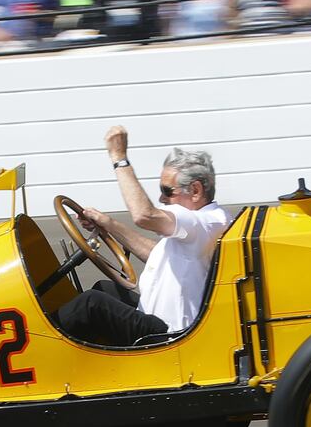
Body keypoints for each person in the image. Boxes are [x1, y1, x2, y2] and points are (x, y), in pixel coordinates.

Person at [53, 129, 229, 348]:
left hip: (168, 338)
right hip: (158, 323)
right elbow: (159, 255)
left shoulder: (203, 222)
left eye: (167, 190)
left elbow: (144, 215)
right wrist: (109, 224)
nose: (161, 198)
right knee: (104, 289)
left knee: (89, 304)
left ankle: (38, 349)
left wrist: (119, 158)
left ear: (195, 190)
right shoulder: (201, 226)